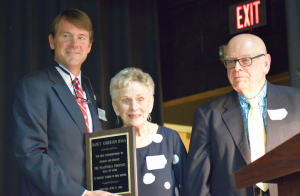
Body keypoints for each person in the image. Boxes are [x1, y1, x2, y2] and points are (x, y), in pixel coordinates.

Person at [12, 9, 117, 196]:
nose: (74, 44)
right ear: (52, 41)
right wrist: (81, 194)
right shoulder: (33, 86)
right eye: (66, 35)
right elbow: (31, 154)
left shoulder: (91, 92)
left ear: (90, 45)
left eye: (82, 37)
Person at [185, 34, 300, 196]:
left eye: (246, 60)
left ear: (266, 64)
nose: (237, 68)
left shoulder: (297, 102)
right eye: (231, 62)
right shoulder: (209, 115)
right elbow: (197, 185)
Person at [109, 67, 187, 196]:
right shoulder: (107, 145)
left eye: (140, 99)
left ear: (150, 103)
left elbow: (188, 186)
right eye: (126, 101)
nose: (134, 107)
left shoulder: (170, 139)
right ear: (115, 107)